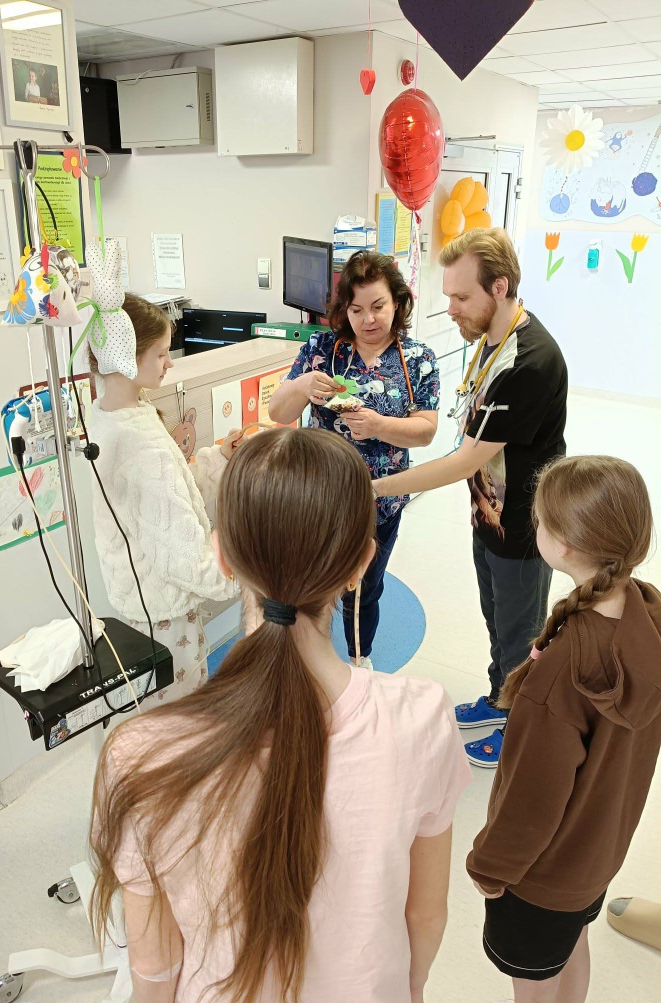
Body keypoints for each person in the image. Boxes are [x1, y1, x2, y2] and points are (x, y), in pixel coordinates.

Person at [90, 428, 471, 1003]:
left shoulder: (140, 752)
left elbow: (154, 959)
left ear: (222, 556)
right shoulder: (423, 718)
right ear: (361, 564)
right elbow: (424, 915)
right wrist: (412, 994)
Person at [467, 455, 661, 1003]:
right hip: (598, 851)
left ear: (564, 545)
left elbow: (532, 796)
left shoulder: (560, 669)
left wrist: (490, 867)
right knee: (574, 943)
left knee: (532, 990)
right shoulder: (648, 616)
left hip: (542, 875)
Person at [374, 228, 567, 767]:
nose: (451, 309)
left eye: (461, 296)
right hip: (489, 513)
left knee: (522, 632)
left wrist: (375, 487)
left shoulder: (529, 362)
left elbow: (464, 459)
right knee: (495, 617)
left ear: (499, 288)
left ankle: (519, 725)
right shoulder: (491, 340)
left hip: (523, 526)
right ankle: (499, 696)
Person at [269, 251, 440, 670]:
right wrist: (303, 385)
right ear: (345, 310)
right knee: (309, 584)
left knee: (365, 588)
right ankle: (300, 662)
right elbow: (278, 412)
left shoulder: (417, 358)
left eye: (378, 306)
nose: (368, 320)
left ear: (397, 302)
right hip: (319, 498)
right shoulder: (322, 349)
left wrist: (379, 425)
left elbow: (426, 431)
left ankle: (359, 663)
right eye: (357, 309)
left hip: (381, 500)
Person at [88, 293, 239, 703]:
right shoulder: (140, 446)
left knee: (160, 713)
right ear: (124, 356)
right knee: (180, 717)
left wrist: (219, 458)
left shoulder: (111, 414)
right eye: (160, 354)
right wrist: (241, 575)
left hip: (139, 604)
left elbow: (171, 494)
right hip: (165, 617)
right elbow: (182, 552)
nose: (169, 362)